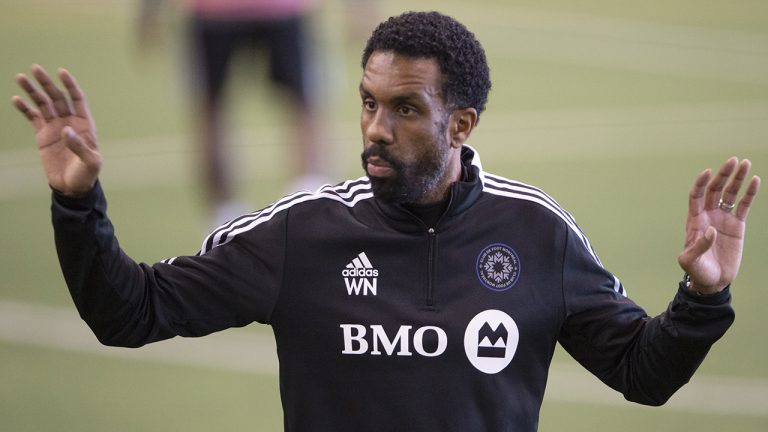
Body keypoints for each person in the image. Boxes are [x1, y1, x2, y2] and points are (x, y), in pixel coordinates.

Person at [11, 11, 761, 432]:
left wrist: (701, 300)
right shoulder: (300, 235)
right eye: (369, 102)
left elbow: (643, 374)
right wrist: (79, 206)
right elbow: (129, 312)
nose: (374, 127)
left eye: (405, 109)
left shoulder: (537, 234)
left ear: (461, 123)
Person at [138, 0, 330, 226]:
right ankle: (304, 207)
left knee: (214, 109)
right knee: (302, 105)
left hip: (231, 12)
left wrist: (149, 12)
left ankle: (302, 202)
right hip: (257, 11)